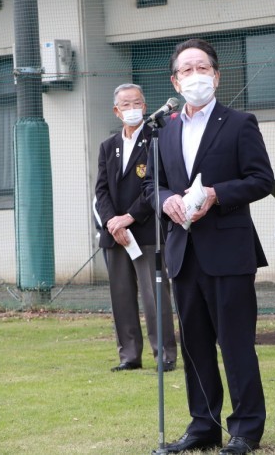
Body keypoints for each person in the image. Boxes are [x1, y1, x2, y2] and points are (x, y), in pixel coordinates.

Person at [143, 39, 273, 455]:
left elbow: (261, 180)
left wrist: (217, 194)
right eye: (187, 70)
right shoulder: (164, 129)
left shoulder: (239, 123)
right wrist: (165, 201)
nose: (195, 75)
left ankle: (246, 428)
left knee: (235, 343)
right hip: (183, 251)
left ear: (216, 76)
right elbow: (152, 185)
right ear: (175, 81)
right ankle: (204, 423)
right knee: (194, 343)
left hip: (229, 251)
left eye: (203, 68)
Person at [95, 83, 178, 372]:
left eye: (137, 103)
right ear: (116, 111)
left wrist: (129, 217)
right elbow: (101, 190)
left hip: (145, 231)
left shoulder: (157, 138)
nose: (132, 109)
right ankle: (129, 355)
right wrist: (111, 222)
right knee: (121, 297)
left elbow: (156, 186)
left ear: (144, 106)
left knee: (155, 295)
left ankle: (164, 355)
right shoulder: (108, 146)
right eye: (125, 105)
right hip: (115, 236)